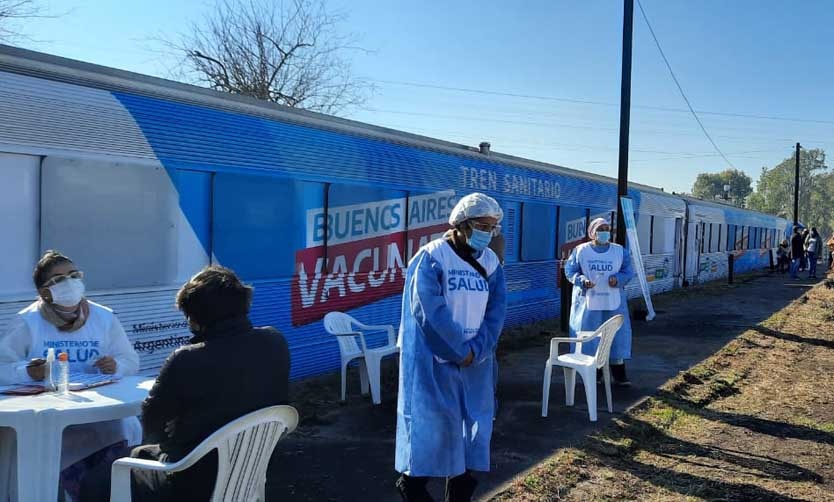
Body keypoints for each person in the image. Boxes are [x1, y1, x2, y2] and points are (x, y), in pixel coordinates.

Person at [80, 266, 291, 501]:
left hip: (189, 482)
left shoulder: (187, 358)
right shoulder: (275, 341)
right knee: (140, 453)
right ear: (244, 303)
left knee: (96, 480)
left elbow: (153, 426)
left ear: (194, 318)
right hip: (249, 471)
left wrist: (181, 424)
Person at [0, 250, 141, 501]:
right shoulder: (27, 322)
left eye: (74, 275)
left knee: (106, 483)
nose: (70, 282)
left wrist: (115, 365)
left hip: (102, 419)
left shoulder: (103, 317)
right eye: (58, 279)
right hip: (49, 422)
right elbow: (2, 368)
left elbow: (130, 361)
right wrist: (28, 371)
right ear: (44, 292)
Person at [395, 192, 507, 502]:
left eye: (493, 227)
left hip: (476, 364)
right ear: (462, 225)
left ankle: (459, 495)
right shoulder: (431, 257)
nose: (488, 232)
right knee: (432, 432)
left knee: (473, 431)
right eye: (483, 225)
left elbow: (496, 311)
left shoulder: (491, 264)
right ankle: (412, 487)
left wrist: (479, 350)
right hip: (433, 365)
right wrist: (460, 351)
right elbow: (429, 312)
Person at [565, 218, 635, 386]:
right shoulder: (581, 251)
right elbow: (570, 270)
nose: (604, 231)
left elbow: (628, 271)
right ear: (592, 232)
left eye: (607, 228)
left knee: (615, 336)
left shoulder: (619, 251)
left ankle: (618, 373)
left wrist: (617, 279)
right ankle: (594, 373)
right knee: (590, 336)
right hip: (588, 303)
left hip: (613, 302)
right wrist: (582, 280)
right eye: (600, 228)